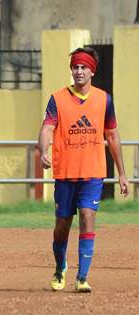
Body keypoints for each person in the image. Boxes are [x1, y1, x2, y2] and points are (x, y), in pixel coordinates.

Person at [38, 47, 129, 293]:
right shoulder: (57, 99)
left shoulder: (104, 99)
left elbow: (112, 135)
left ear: (91, 71)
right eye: (75, 67)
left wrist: (121, 173)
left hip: (92, 173)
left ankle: (82, 277)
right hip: (66, 173)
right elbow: (47, 128)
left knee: (88, 218)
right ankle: (60, 268)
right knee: (62, 225)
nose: (78, 71)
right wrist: (43, 150)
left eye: (83, 67)